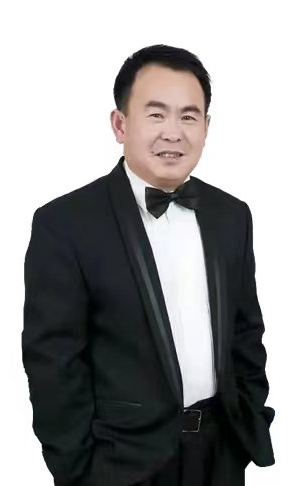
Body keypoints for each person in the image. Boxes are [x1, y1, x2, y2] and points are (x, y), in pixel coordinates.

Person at [22, 44, 275, 486]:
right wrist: (81, 471)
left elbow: (246, 333)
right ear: (120, 124)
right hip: (119, 465)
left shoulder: (232, 215)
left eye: (189, 116)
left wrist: (250, 421)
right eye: (156, 114)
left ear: (207, 127)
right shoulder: (64, 224)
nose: (173, 132)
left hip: (221, 457)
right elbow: (53, 364)